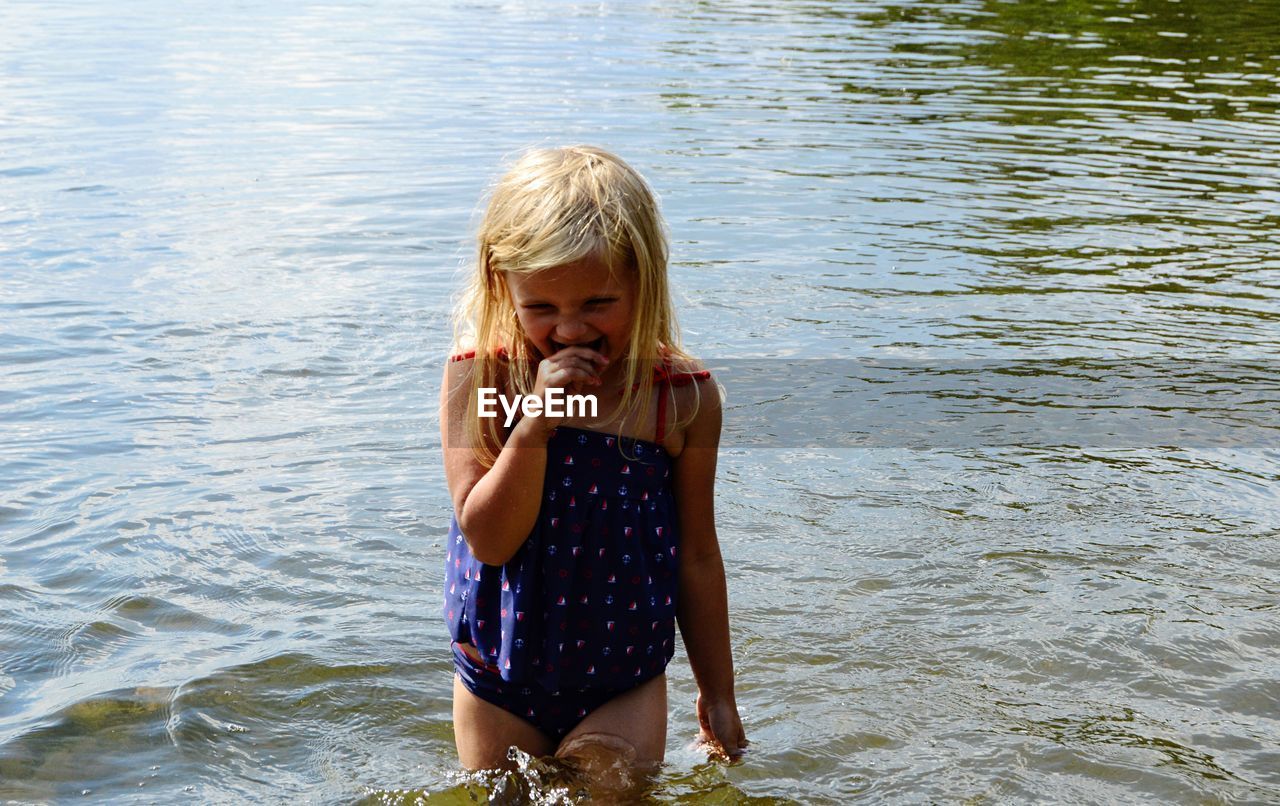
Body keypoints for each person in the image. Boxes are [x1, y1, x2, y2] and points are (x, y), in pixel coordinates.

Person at [439, 145, 747, 782]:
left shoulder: (679, 399)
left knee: (607, 796)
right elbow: (491, 540)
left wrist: (719, 694)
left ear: (644, 282)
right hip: (499, 672)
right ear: (504, 285)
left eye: (597, 303)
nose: (571, 329)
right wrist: (537, 423)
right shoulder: (483, 379)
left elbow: (696, 554)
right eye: (543, 308)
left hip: (620, 679)